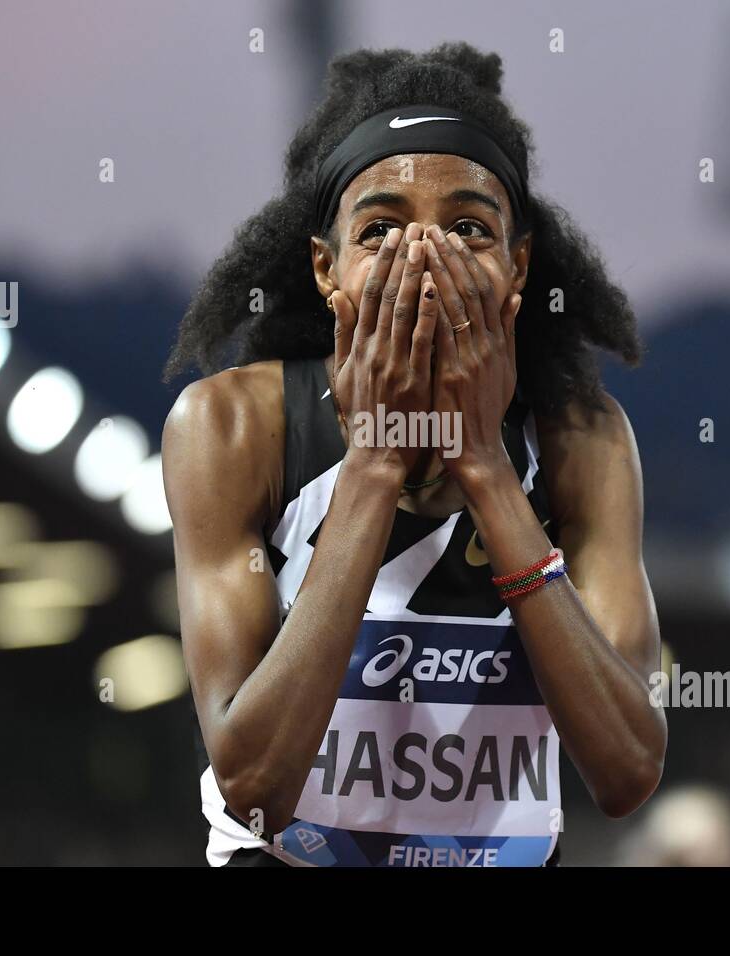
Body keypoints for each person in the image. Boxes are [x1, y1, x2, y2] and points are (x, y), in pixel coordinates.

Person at [162, 42, 666, 867]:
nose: (423, 266)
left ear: (518, 267)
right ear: (327, 268)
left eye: (468, 228)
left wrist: (486, 469)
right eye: (382, 230)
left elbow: (627, 768)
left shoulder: (581, 440)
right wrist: (375, 460)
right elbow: (253, 786)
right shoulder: (232, 426)